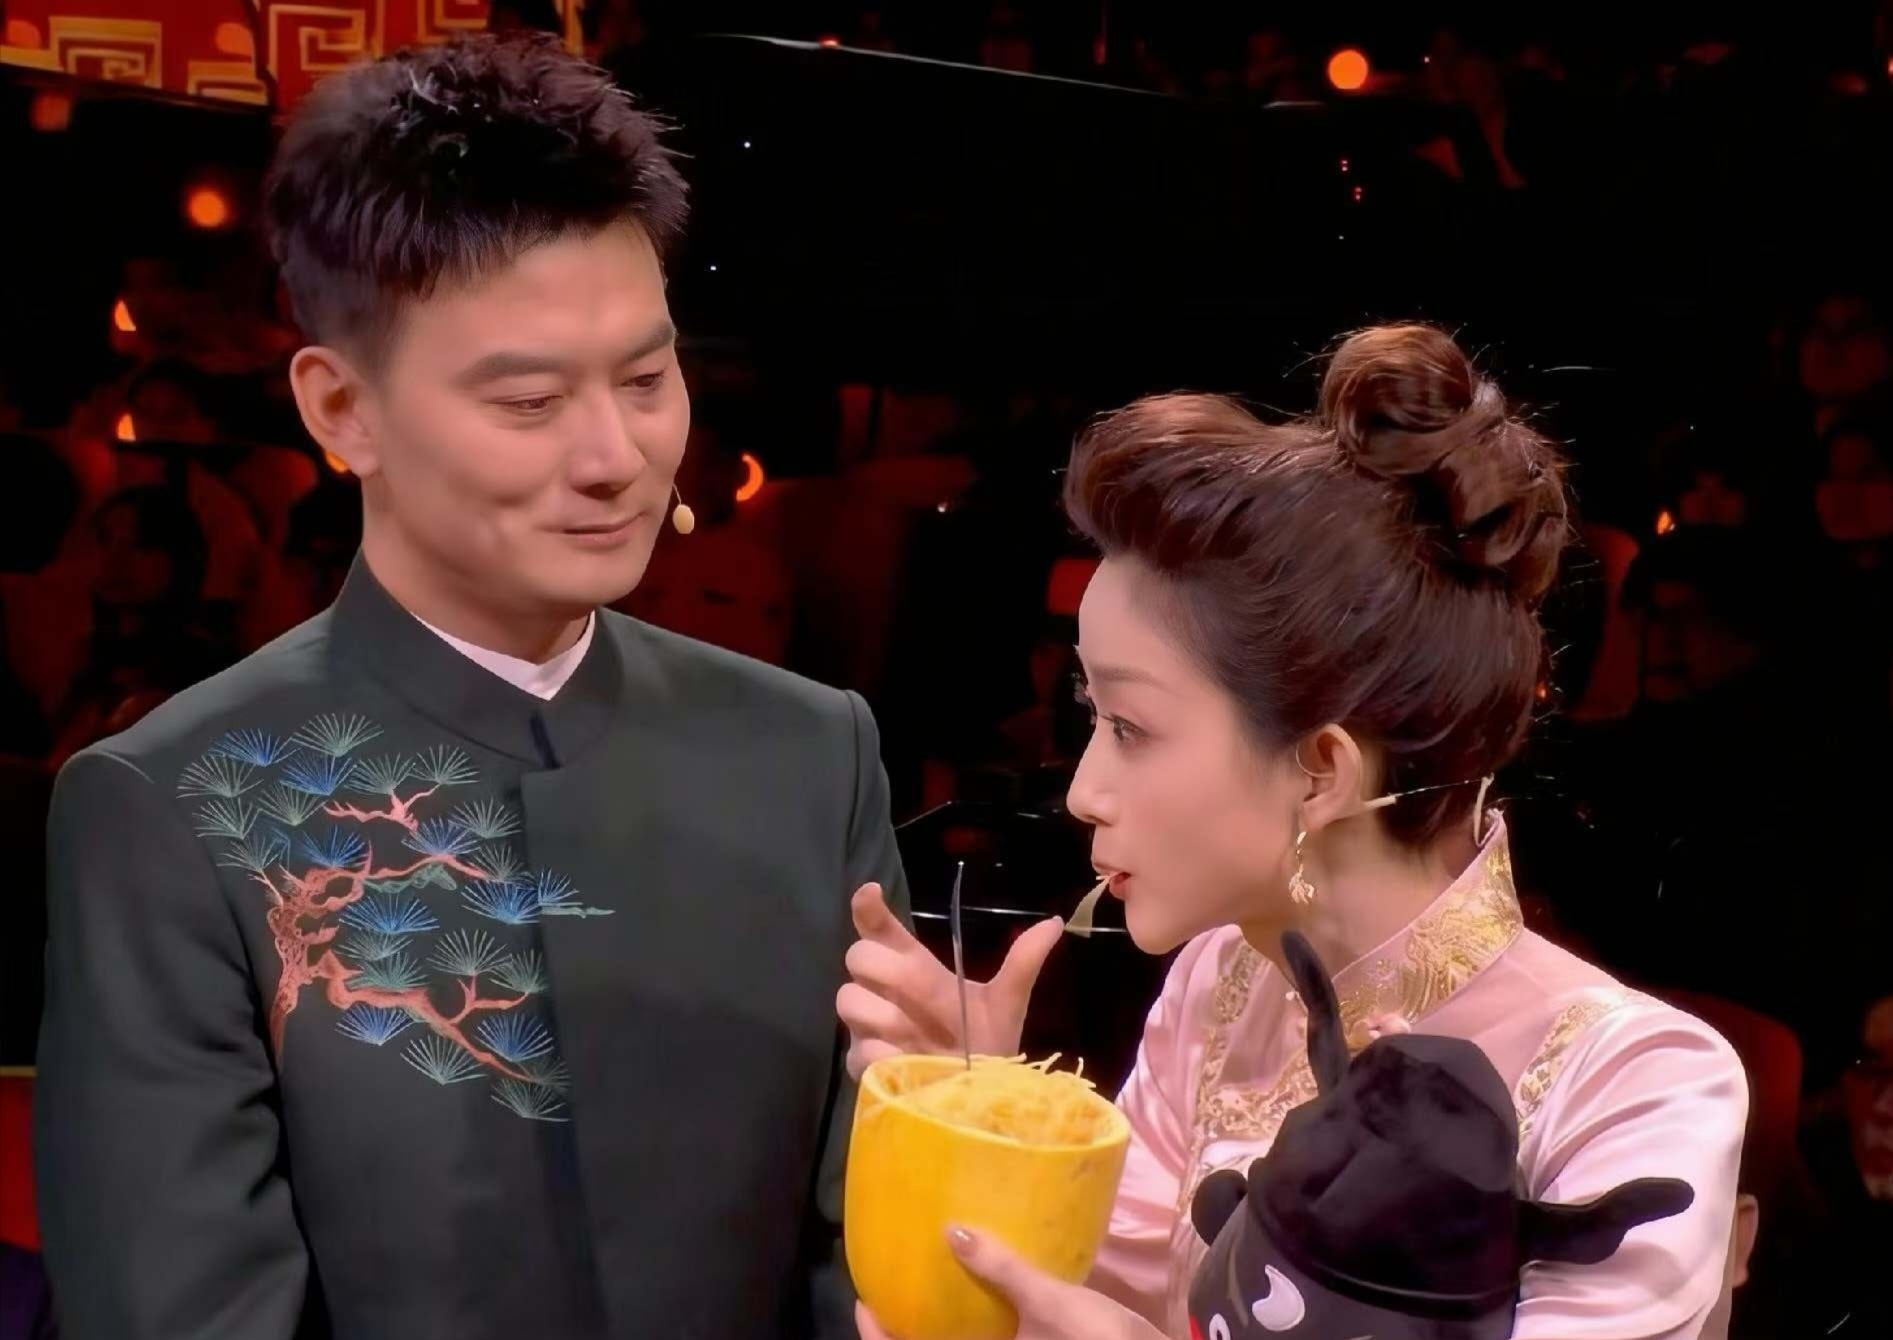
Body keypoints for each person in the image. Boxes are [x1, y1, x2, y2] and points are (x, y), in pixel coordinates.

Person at [35, 33, 924, 1339]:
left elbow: (865, 1265)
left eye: (647, 378)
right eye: (528, 402)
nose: (616, 455)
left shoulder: (809, 753)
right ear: (343, 411)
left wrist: (960, 1120)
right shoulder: (175, 802)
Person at [843, 325, 1747, 1339]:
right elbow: (1085, 1304)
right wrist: (972, 1114)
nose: (1085, 791)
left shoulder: (1635, 1080)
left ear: (1321, 770)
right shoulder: (1221, 985)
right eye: (1089, 718)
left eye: (1130, 728)